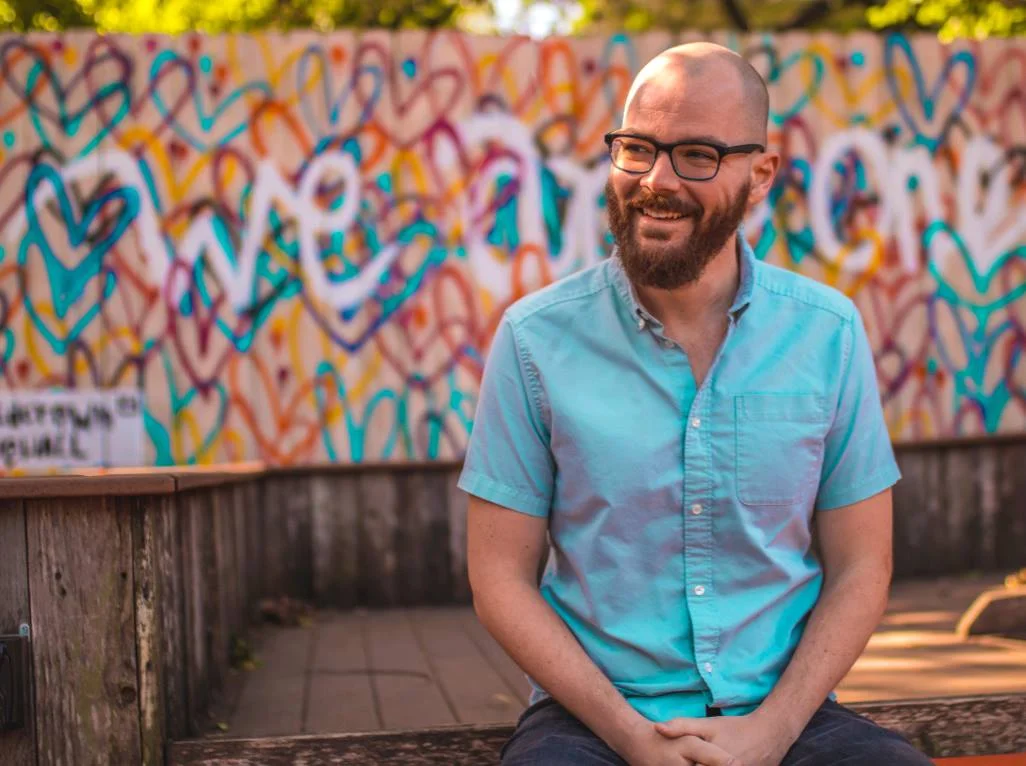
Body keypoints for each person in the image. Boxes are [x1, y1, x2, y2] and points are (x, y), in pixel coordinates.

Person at [459, 42, 933, 766]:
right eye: (637, 148)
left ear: (760, 174)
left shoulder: (827, 333)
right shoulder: (534, 339)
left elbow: (863, 566)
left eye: (697, 156)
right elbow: (498, 580)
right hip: (592, 722)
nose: (657, 180)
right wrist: (631, 737)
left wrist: (773, 731)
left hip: (785, 716)